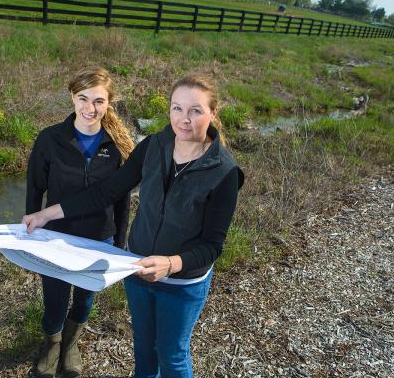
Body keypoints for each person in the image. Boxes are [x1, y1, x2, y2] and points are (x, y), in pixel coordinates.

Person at [23, 74, 244, 378]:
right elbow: (107, 191)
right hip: (137, 269)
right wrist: (47, 214)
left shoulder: (224, 172)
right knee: (143, 350)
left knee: (172, 355)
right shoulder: (154, 145)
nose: (184, 119)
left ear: (212, 114)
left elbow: (212, 246)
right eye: (177, 108)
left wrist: (171, 264)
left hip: (182, 284)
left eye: (195, 110)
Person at [26, 66, 134, 378]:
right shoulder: (50, 139)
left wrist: (121, 244)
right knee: (56, 301)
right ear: (72, 97)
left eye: (99, 101)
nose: (90, 108)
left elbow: (122, 199)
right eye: (83, 98)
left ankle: (71, 342)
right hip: (56, 238)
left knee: (85, 299)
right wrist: (28, 235)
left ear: (109, 103)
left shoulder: (116, 145)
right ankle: (52, 343)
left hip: (99, 239)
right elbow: (35, 188)